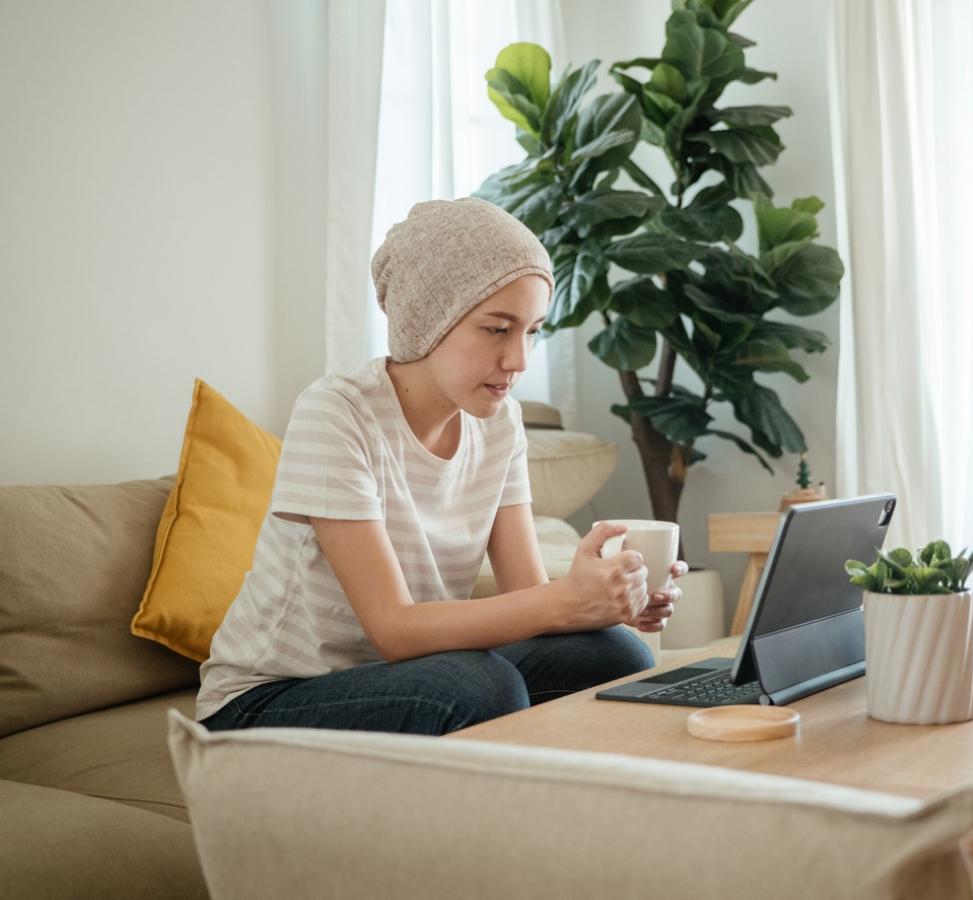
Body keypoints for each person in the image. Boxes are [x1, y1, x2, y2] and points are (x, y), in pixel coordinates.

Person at [196, 197, 687, 736]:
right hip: (267, 701)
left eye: (532, 330)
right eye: (497, 329)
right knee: (480, 685)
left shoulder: (500, 423)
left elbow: (528, 600)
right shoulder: (337, 413)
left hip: (410, 675)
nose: (519, 360)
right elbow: (394, 630)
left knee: (617, 657)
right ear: (429, 321)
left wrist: (606, 602)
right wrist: (566, 599)